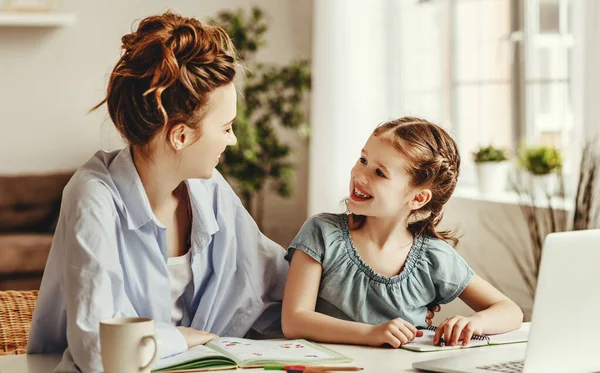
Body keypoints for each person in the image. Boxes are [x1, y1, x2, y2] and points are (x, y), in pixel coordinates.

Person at [27, 12, 288, 373]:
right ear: (180, 136)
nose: (233, 140)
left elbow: (277, 279)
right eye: (226, 127)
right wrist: (179, 337)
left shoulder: (210, 191)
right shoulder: (93, 196)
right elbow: (98, 349)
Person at [281, 117, 523, 348]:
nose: (360, 175)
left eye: (379, 173)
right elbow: (294, 321)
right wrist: (370, 333)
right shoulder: (322, 233)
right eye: (363, 160)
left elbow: (510, 310)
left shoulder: (433, 257)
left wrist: (475, 322)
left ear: (418, 198)